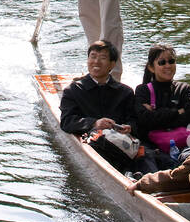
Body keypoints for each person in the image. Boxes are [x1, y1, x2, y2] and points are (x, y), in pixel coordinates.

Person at [59, 40, 141, 175]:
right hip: (95, 144)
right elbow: (67, 122)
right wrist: (95, 123)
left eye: (102, 58)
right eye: (93, 56)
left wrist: (129, 127)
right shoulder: (73, 90)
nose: (96, 62)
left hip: (121, 144)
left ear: (112, 64)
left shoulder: (125, 92)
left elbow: (134, 120)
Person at [133, 44, 190, 168]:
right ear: (151, 67)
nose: (167, 65)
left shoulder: (184, 88)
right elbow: (144, 121)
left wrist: (157, 115)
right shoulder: (142, 90)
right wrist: (177, 112)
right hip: (153, 147)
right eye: (162, 62)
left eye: (171, 61)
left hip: (184, 144)